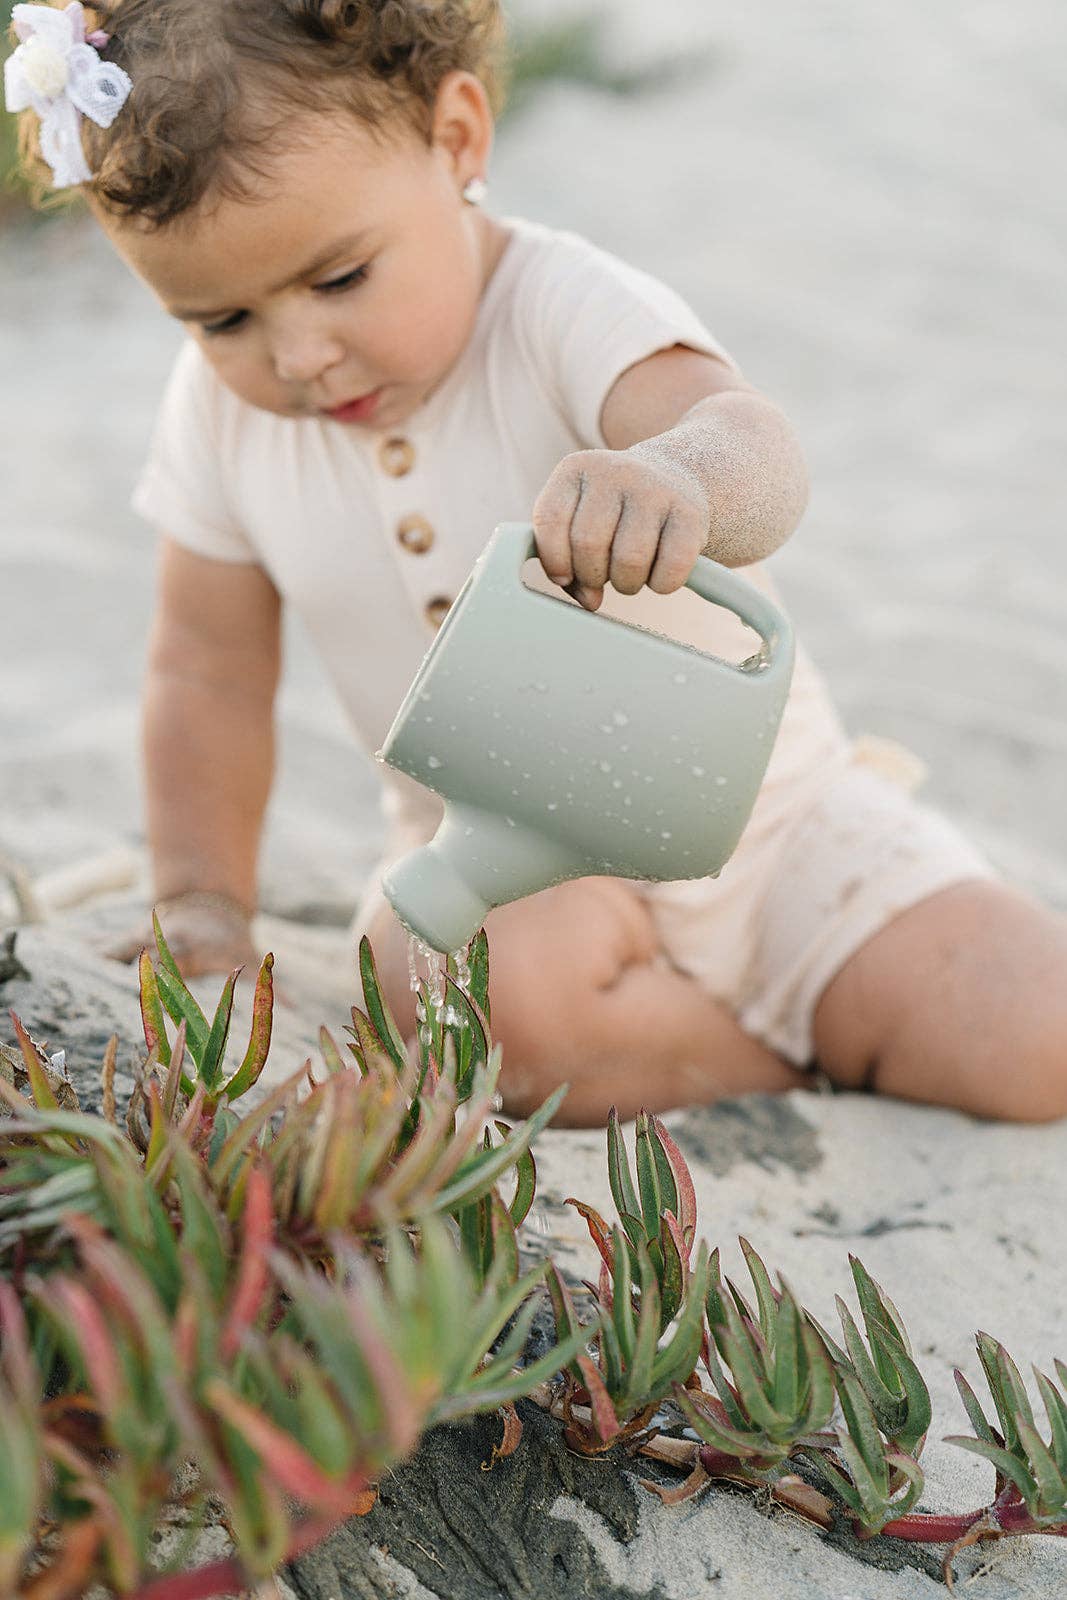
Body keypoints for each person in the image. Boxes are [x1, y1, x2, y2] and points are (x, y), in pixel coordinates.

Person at [9, 0, 1066, 1127]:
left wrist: (681, 475)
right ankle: (775, 1073)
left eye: (339, 279)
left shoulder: (557, 308)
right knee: (454, 986)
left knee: (1027, 1034)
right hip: (500, 859)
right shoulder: (219, 424)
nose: (300, 355)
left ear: (455, 138)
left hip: (774, 834)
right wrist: (203, 897)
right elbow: (205, 675)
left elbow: (758, 453)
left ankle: (795, 1025)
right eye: (219, 321)